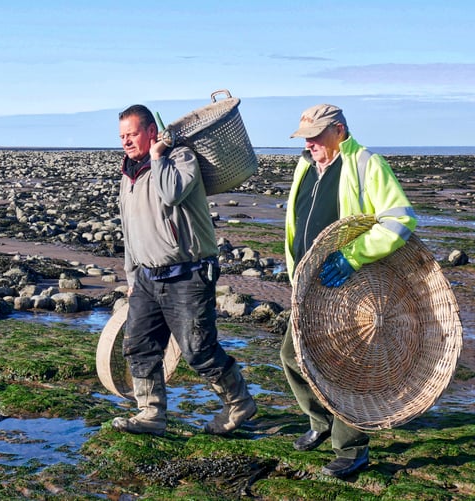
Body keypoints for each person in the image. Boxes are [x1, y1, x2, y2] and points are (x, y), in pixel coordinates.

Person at [280, 104, 417, 478]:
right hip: (308, 285)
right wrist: (295, 269)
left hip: (349, 286)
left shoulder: (367, 164)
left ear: (339, 130)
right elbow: (297, 219)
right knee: (292, 356)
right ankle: (320, 421)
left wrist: (353, 257)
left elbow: (400, 218)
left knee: (345, 370)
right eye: (305, 137)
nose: (309, 143)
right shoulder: (305, 165)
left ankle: (352, 448)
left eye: (316, 136)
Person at [112, 104, 256, 436]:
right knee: (139, 344)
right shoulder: (128, 174)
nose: (126, 142)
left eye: (132, 134)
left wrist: (160, 155)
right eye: (122, 136)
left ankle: (239, 402)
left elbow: (171, 193)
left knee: (197, 349)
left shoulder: (181, 159)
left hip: (188, 273)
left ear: (151, 132)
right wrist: (132, 276)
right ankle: (150, 413)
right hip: (147, 277)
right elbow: (130, 228)